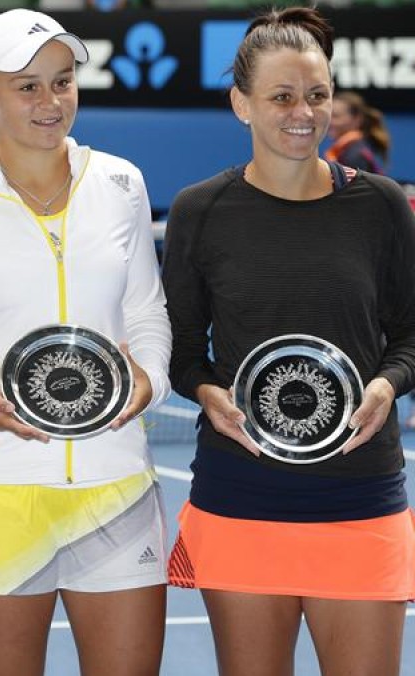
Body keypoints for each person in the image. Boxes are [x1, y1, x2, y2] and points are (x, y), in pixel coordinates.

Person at [162, 8, 415, 676]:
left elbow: (410, 334)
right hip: (241, 497)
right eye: (281, 97)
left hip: (360, 499)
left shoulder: (382, 205)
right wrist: (208, 392)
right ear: (241, 104)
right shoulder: (199, 211)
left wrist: (387, 384)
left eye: (317, 95)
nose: (303, 112)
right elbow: (184, 351)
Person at [0, 9, 172, 676]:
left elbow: (147, 311)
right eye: (26, 86)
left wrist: (148, 379)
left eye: (62, 82)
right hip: (0, 491)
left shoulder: (121, 184)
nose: (50, 102)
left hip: (116, 485)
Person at [324, 90, 390, 175]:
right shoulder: (347, 151)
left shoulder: (355, 155)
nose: (330, 121)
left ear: (357, 119)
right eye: (328, 115)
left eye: (336, 116)